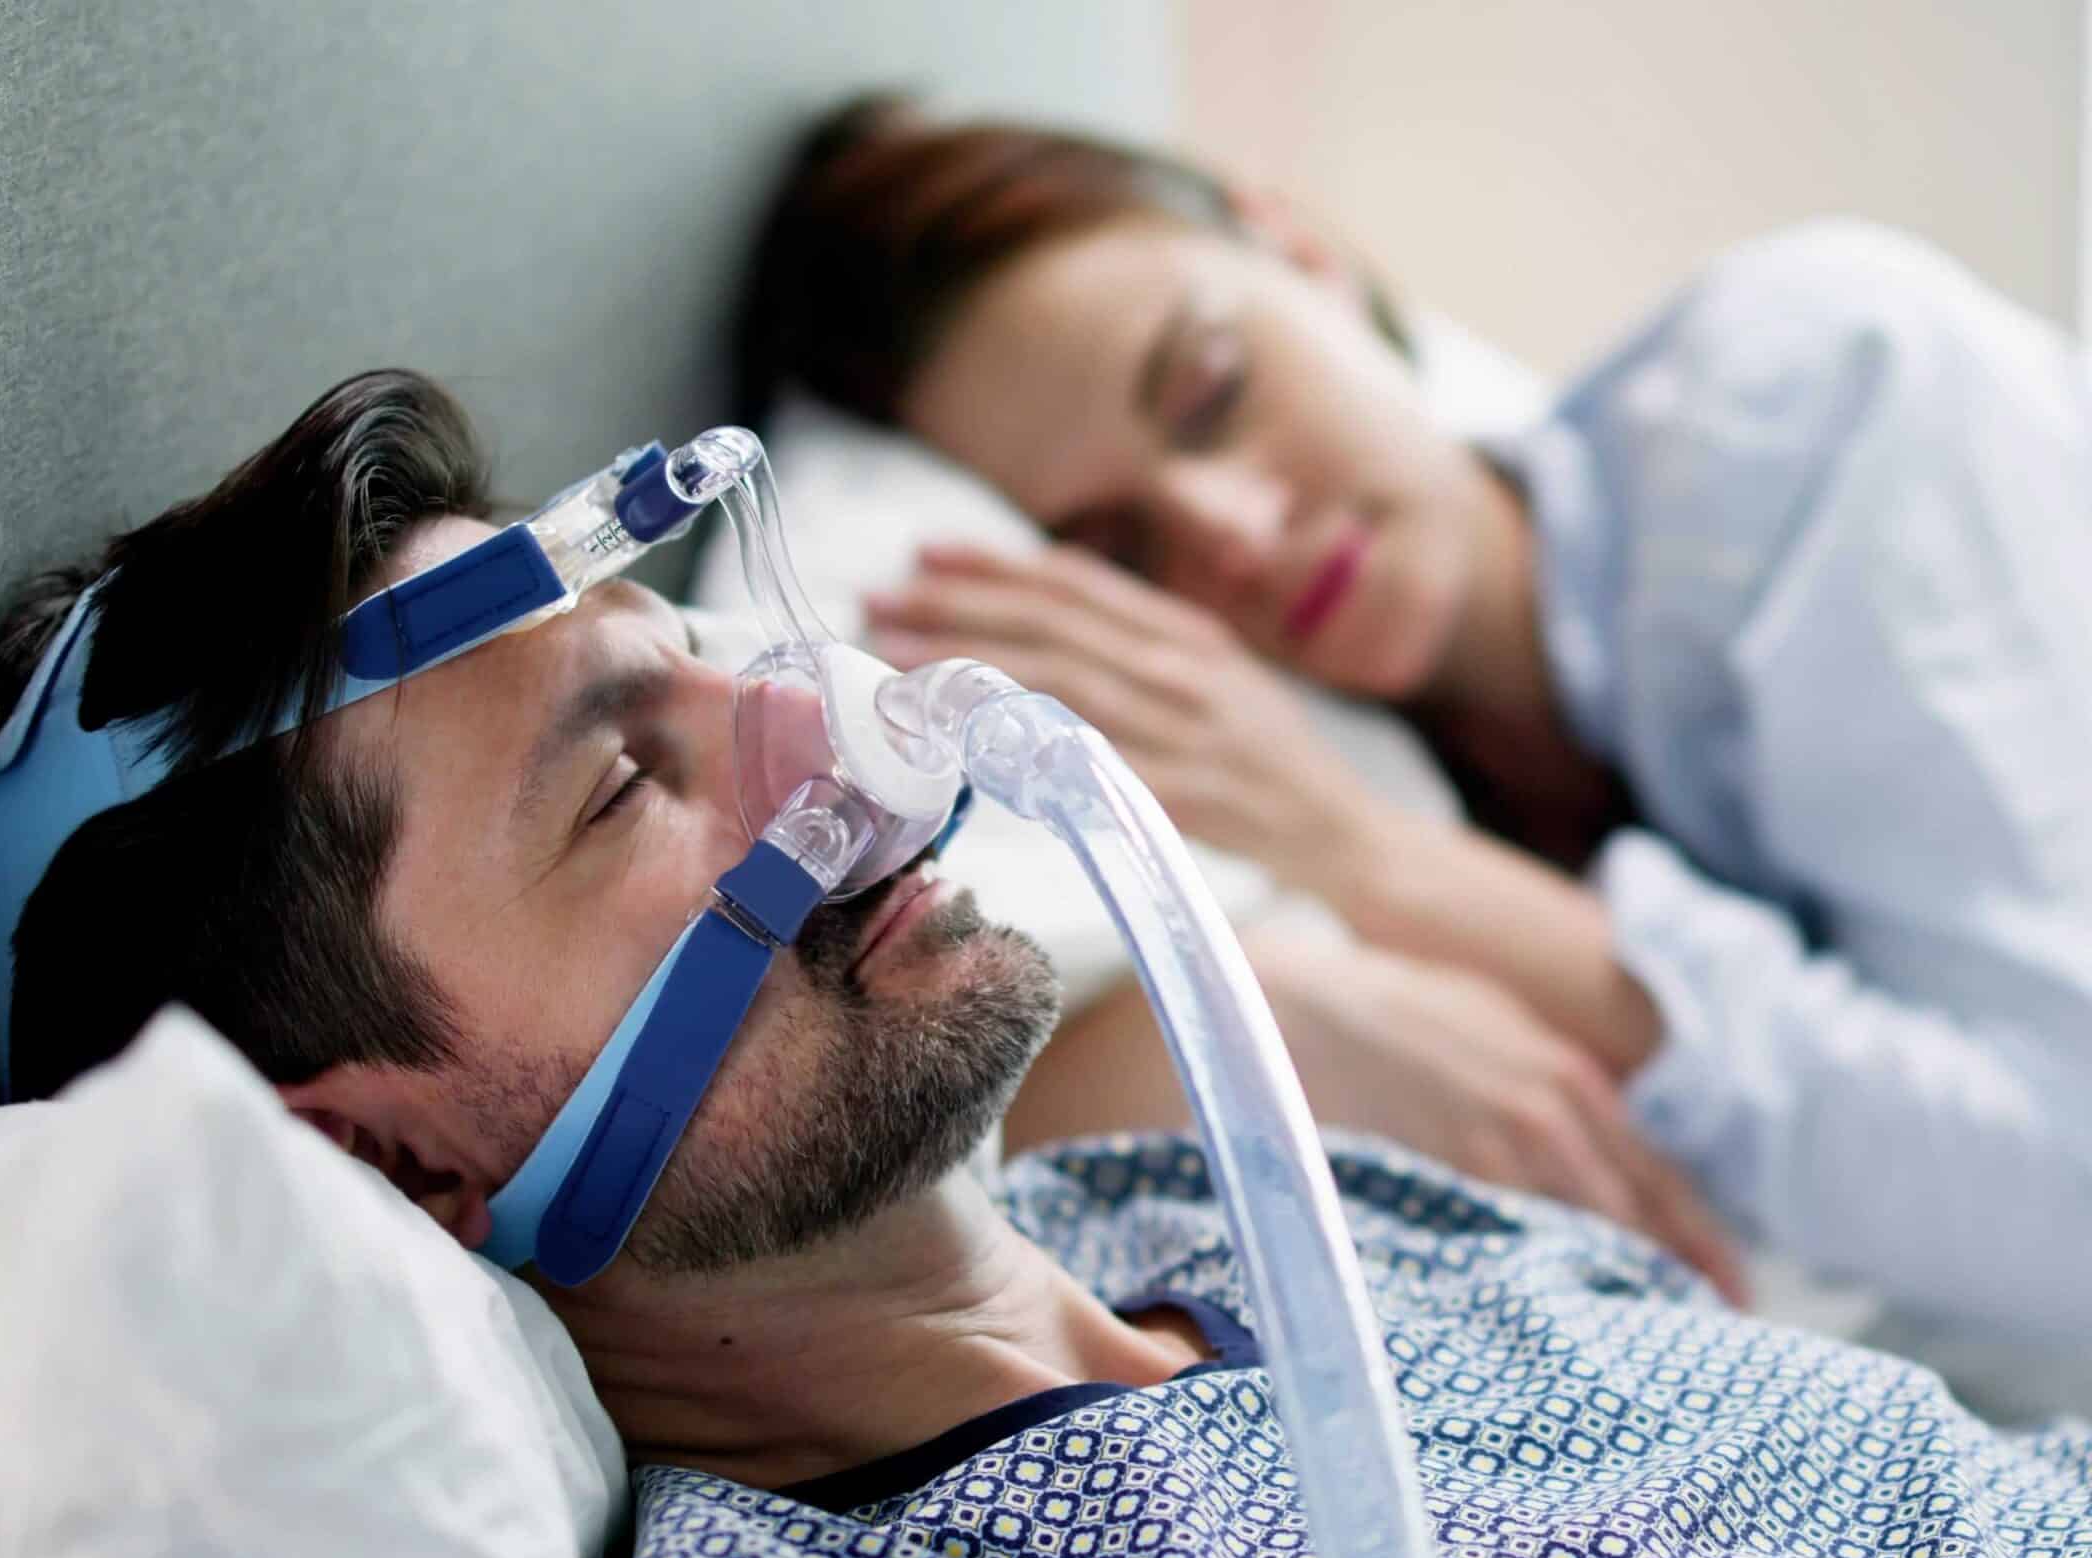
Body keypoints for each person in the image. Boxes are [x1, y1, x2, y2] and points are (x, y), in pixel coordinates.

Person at [0, 368, 2092, 1558]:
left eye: (696, 668)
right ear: (392, 1167)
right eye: (616, 794)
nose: (814, 736)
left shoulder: (1227, 1198)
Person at [736, 97, 2092, 1354]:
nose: (1242, 535)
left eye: (1212, 392)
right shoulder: (1400, 755)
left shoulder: (1820, 396)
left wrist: (1362, 849)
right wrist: (1285, 994)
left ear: (1305, 253)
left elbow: (2063, 1192)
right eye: (1125, 551)